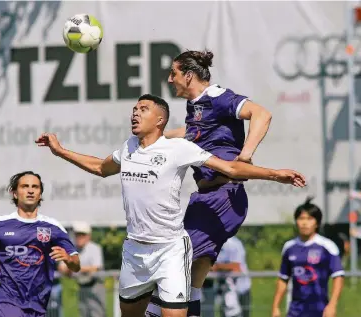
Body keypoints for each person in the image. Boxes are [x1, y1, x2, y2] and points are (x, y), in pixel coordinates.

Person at [35, 94, 306, 317]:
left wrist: (275, 174)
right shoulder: (129, 147)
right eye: (134, 109)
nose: (135, 113)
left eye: (143, 109)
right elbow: (99, 167)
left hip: (170, 250)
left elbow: (231, 169)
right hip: (135, 251)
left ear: (160, 120)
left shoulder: (178, 148)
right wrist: (61, 151)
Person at [147, 49, 273, 317]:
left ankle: (151, 313)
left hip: (223, 197)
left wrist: (246, 154)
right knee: (194, 275)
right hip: (206, 199)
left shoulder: (218, 97)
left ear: (189, 76)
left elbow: (262, 114)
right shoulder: (196, 106)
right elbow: (191, 134)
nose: (170, 79)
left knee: (173, 262)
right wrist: (155, 139)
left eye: (174, 73)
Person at [0, 171, 81, 317]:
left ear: (40, 194)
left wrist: (67, 258)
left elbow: (76, 265)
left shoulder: (53, 227)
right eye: (25, 186)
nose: (30, 190)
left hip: (38, 302)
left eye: (35, 187)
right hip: (6, 298)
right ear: (15, 193)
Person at [271, 198, 344, 317]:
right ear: (296, 221)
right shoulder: (289, 247)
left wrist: (332, 305)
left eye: (309, 219)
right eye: (301, 218)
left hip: (320, 310)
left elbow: (338, 276)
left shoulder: (327, 246)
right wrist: (275, 307)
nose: (305, 223)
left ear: (317, 223)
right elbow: (283, 278)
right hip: (295, 311)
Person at [213, 236, 251, 317]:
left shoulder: (233, 244)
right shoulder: (214, 244)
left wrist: (217, 267)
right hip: (225, 289)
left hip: (241, 290)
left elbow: (237, 267)